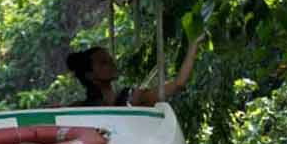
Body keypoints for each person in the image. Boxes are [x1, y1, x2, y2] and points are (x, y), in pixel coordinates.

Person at [66, 33, 205, 107]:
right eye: (103, 63)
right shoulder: (81, 107)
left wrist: (194, 44)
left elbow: (178, 84)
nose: (111, 63)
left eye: (110, 59)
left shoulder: (131, 96)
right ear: (90, 75)